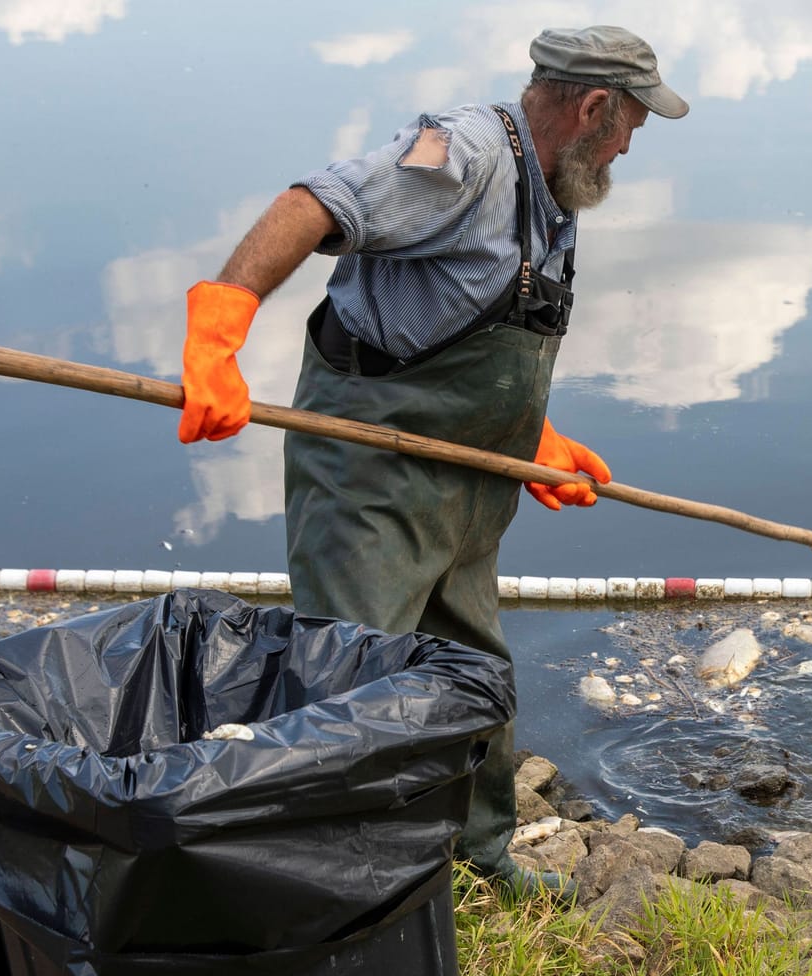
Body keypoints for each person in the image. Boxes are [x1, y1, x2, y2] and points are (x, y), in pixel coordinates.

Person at [173, 26, 688, 898]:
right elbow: (313, 203)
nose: (634, 143)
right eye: (634, 121)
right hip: (371, 476)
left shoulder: (554, 187)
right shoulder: (462, 156)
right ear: (594, 106)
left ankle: (476, 855)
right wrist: (219, 331)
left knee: (475, 672)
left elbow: (473, 322)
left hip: (469, 487)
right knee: (351, 681)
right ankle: (327, 882)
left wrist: (531, 438)